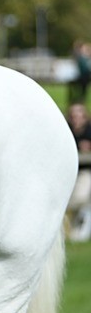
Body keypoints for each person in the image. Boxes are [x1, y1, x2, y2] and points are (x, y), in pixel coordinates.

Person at [68, 103, 91, 241]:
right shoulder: (67, 131)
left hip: (85, 171)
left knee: (79, 198)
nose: (77, 118)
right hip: (70, 173)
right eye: (74, 115)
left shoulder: (89, 131)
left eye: (80, 115)